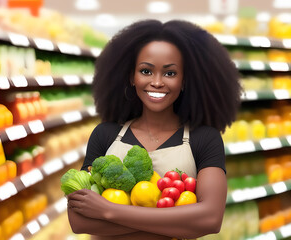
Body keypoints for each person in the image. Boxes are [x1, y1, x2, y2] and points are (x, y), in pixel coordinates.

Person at [67, 19, 241, 240]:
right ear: (132, 76)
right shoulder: (105, 135)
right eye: (146, 71)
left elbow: (210, 219)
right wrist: (178, 220)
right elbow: (78, 221)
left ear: (184, 80)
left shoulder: (204, 138)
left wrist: (108, 212)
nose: (157, 82)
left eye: (169, 73)